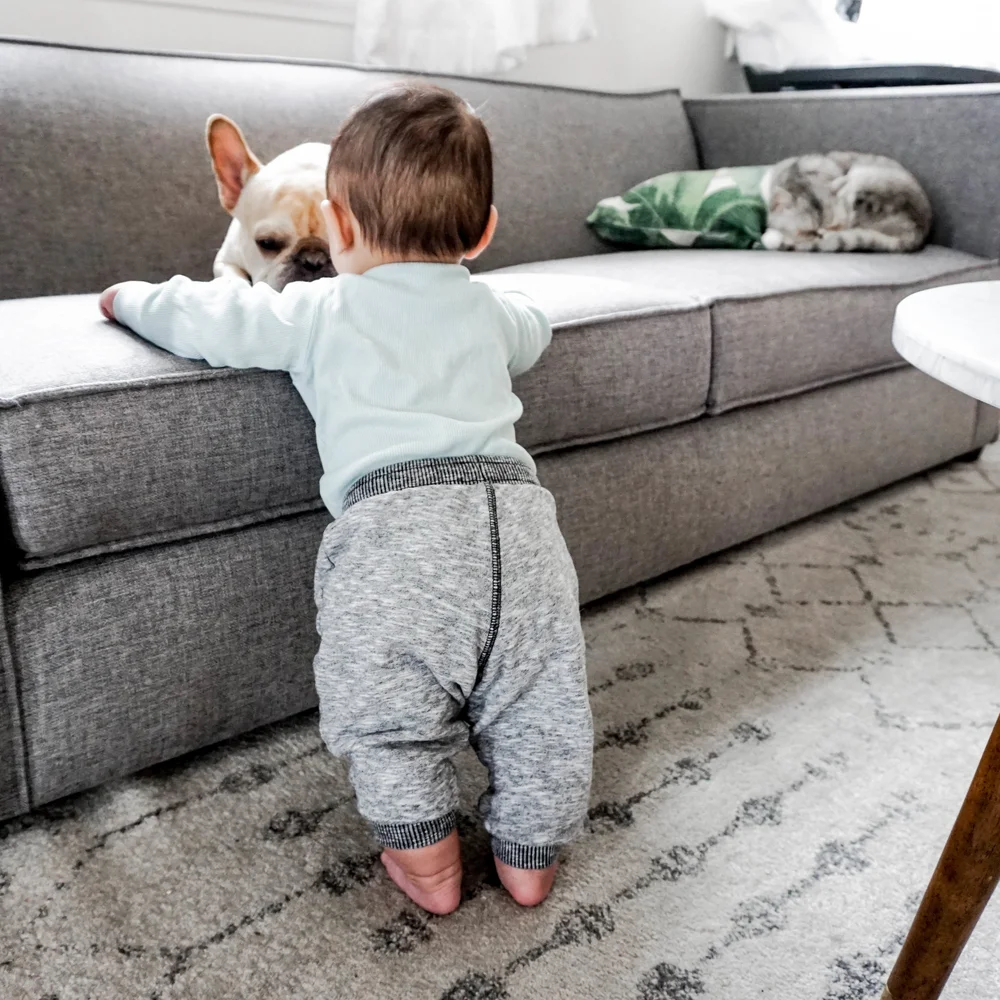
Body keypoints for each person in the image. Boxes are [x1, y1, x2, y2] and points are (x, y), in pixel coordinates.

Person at [100, 81, 593, 915]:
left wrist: (131, 300)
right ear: (483, 233)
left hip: (397, 535)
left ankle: (429, 864)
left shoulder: (318, 309)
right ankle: (531, 855)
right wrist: (496, 302)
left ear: (339, 225)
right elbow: (532, 327)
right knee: (541, 699)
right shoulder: (488, 311)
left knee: (387, 708)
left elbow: (212, 318)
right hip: (522, 525)